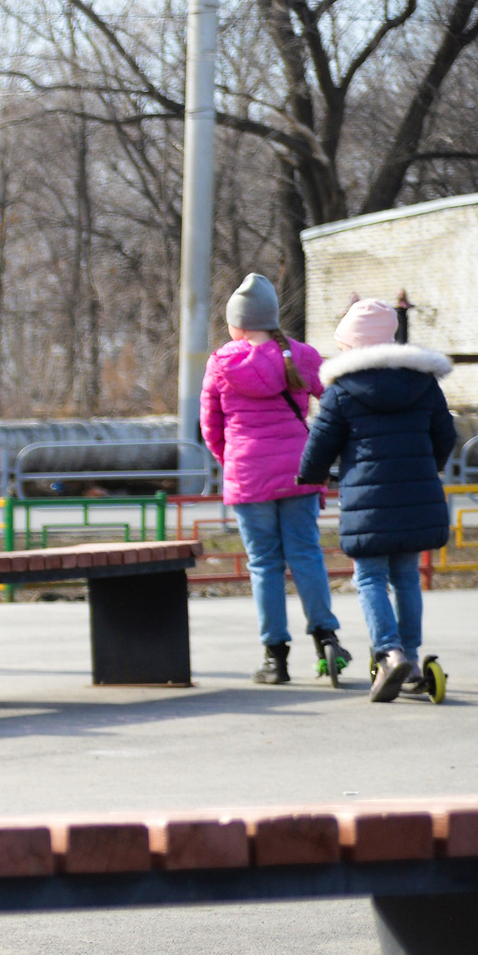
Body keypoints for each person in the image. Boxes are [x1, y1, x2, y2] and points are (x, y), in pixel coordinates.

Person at [296, 296, 456, 702]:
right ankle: (414, 659)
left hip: (367, 502)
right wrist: (426, 465)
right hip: (417, 494)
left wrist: (310, 477)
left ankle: (389, 651)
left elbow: (320, 446)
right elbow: (445, 436)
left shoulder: (342, 391)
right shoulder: (423, 383)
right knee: (406, 578)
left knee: (369, 577)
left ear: (350, 345)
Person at [202, 273, 346, 685]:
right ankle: (327, 640)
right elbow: (333, 404)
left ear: (236, 323)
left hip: (248, 475)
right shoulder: (301, 355)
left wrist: (232, 460)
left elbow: (210, 426)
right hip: (299, 469)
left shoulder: (221, 362)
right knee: (306, 555)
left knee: (264, 564)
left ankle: (275, 658)